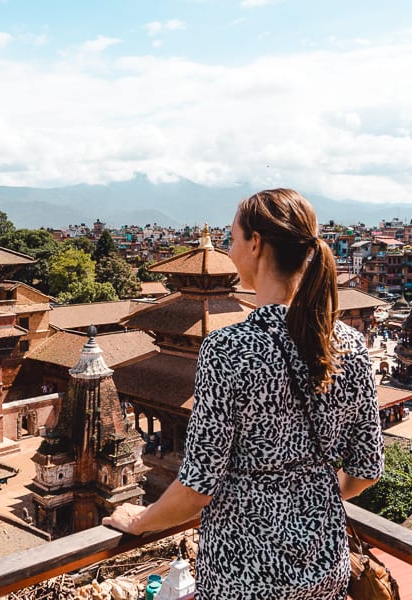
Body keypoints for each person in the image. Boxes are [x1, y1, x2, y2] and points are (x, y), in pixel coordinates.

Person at [103, 189, 384, 599]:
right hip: (325, 561)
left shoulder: (229, 350)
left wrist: (140, 521)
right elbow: (366, 470)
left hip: (246, 572)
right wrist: (307, 495)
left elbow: (197, 488)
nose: (230, 250)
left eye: (232, 239)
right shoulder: (349, 344)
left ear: (256, 243)